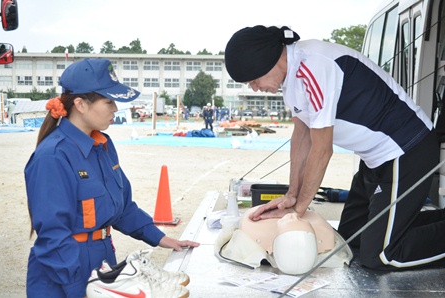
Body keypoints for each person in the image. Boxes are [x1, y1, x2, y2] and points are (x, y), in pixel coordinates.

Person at [224, 25, 445, 271]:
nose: (255, 88)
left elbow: (321, 149)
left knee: (381, 256)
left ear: (270, 61)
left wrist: (299, 209)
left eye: (254, 81)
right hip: (375, 158)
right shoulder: (291, 81)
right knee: (352, 240)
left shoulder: (313, 66)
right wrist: (291, 196)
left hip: (407, 150)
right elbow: (302, 138)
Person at [24, 58, 199, 297]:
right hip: (65, 270)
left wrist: (161, 239)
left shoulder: (103, 145)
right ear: (81, 104)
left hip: (102, 260)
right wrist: (83, 287)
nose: (115, 109)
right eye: (109, 101)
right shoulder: (53, 156)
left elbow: (122, 209)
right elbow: (54, 236)